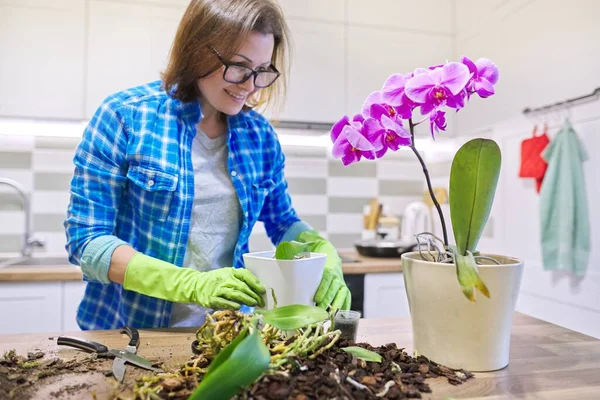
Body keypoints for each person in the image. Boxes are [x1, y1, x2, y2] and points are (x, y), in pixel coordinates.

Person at [64, 0, 351, 330]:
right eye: (240, 66)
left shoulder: (259, 137)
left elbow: (282, 222)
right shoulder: (126, 116)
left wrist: (323, 253)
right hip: (131, 333)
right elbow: (87, 242)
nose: (250, 85)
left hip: (224, 333)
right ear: (197, 50)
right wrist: (190, 284)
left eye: (263, 71)